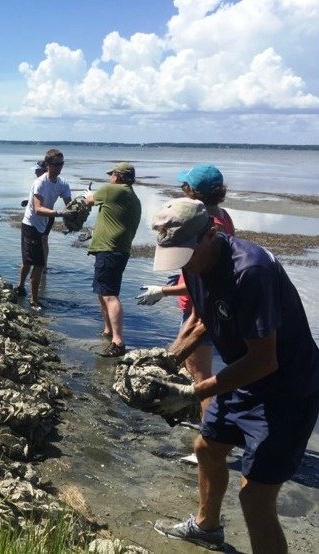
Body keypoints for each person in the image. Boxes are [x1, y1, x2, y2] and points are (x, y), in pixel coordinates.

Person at [147, 197, 319, 553]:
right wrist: (166, 359)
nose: (185, 266)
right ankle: (207, 527)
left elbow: (264, 360)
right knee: (207, 448)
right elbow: (203, 318)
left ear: (211, 234)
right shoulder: (195, 265)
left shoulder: (250, 270)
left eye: (186, 255)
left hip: (288, 388)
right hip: (245, 377)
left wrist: (196, 392)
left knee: (254, 496)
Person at [136, 165, 236, 422]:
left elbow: (209, 282)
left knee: (200, 375)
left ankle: (208, 430)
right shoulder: (223, 216)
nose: (182, 191)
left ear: (193, 193)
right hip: (201, 306)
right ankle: (199, 422)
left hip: (201, 308)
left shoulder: (208, 228)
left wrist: (163, 291)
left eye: (185, 187)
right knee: (194, 369)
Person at [83, 162, 141, 357]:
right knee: (103, 292)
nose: (110, 178)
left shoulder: (112, 190)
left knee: (109, 295)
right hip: (119, 250)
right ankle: (108, 331)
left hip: (109, 250)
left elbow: (88, 200)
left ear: (117, 176)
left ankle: (118, 341)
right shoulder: (133, 197)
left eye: (112, 175)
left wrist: (86, 196)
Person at [14, 151, 71, 310]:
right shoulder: (39, 183)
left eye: (62, 164)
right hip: (31, 223)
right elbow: (38, 209)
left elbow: (70, 205)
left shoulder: (63, 183)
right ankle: (33, 300)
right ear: (48, 165)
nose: (60, 167)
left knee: (33, 261)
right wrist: (60, 213)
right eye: (56, 164)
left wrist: (77, 213)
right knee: (36, 263)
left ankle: (21, 288)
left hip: (45, 223)